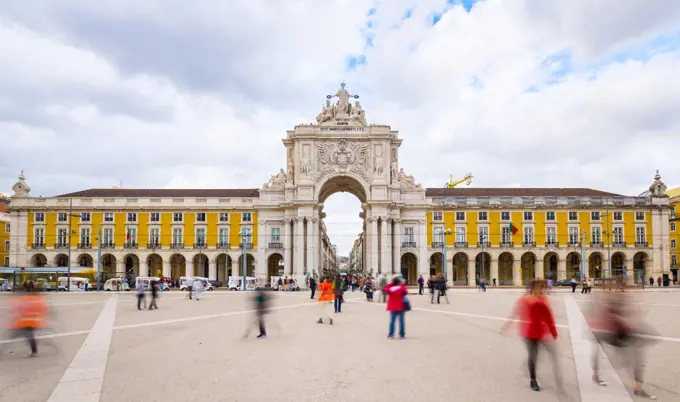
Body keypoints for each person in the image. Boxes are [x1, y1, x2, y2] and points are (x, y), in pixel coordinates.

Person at [589, 289, 656, 399]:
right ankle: (637, 387)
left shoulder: (612, 300)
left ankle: (635, 385)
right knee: (636, 356)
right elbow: (616, 316)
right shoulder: (608, 302)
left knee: (633, 355)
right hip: (607, 331)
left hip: (611, 331)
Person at [501, 279, 561, 393]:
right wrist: (506, 325)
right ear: (532, 289)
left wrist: (553, 332)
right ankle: (533, 380)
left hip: (541, 331)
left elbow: (548, 316)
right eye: (539, 288)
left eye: (542, 288)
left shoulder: (543, 299)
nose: (542, 290)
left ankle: (557, 381)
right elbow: (515, 313)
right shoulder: (524, 300)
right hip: (528, 332)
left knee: (550, 353)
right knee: (533, 355)